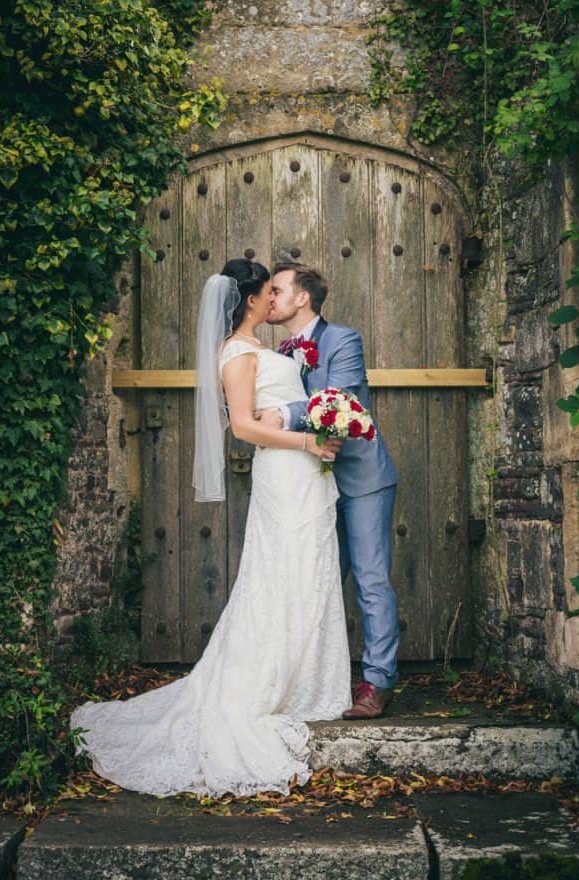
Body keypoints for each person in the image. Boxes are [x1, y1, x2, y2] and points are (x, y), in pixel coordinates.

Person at [69, 258, 351, 798]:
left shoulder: (268, 349)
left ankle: (309, 681)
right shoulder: (237, 354)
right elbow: (243, 427)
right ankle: (265, 686)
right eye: (270, 292)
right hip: (285, 469)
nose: (276, 300)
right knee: (279, 573)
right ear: (249, 300)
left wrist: (311, 426)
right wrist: (308, 441)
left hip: (306, 474)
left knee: (306, 569)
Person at [260, 263, 400, 719]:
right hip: (309, 484)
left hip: (361, 480)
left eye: (277, 290)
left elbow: (339, 399)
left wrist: (282, 413)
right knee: (313, 583)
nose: (270, 297)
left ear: (303, 298)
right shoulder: (282, 349)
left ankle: (378, 683)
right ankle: (310, 683)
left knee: (371, 581)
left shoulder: (343, 339)